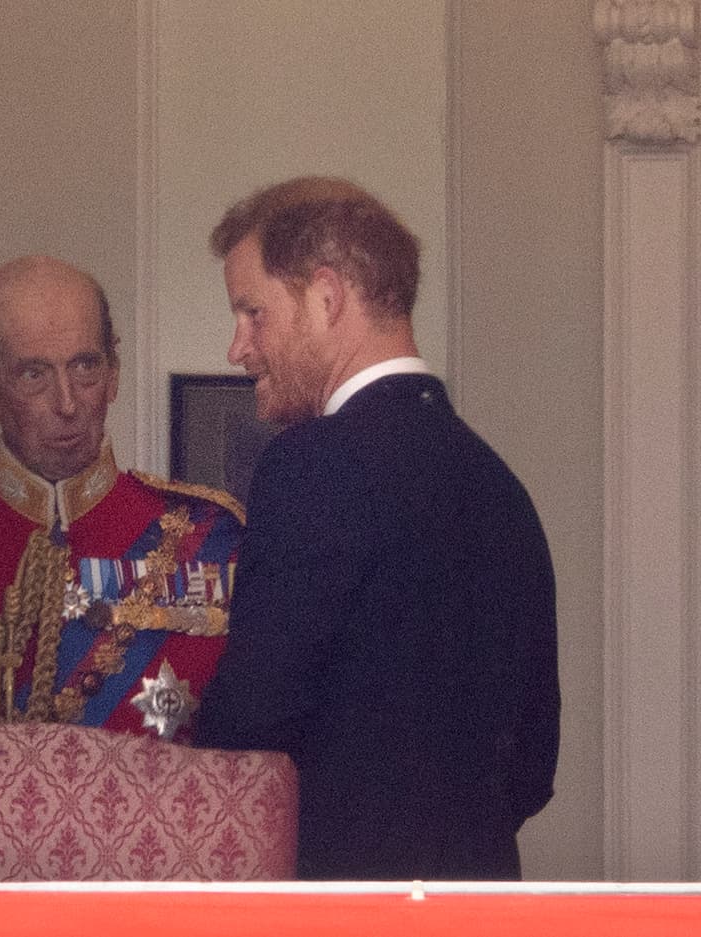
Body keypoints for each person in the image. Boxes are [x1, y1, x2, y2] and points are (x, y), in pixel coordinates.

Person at [194, 177, 560, 881]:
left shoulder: (312, 464)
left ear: (327, 297)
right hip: (484, 908)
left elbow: (246, 724)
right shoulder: (501, 486)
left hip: (344, 905)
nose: (238, 347)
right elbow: (533, 764)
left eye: (253, 312)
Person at [0, 255, 243, 741]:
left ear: (114, 371)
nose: (68, 403)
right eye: (33, 375)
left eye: (85, 367)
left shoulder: (212, 536)